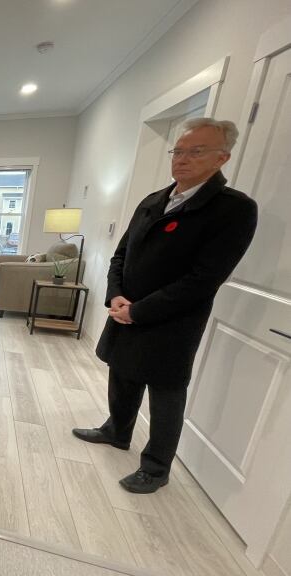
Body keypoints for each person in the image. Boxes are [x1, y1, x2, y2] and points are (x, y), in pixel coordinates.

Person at [72, 118, 258, 494]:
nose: (183, 159)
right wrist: (116, 295)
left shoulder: (232, 209)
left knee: (166, 392)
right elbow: (120, 254)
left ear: (222, 158)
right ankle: (116, 430)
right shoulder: (153, 201)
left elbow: (203, 280)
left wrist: (138, 311)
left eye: (197, 151)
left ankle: (156, 467)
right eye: (179, 151)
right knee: (122, 374)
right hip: (126, 309)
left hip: (172, 320)